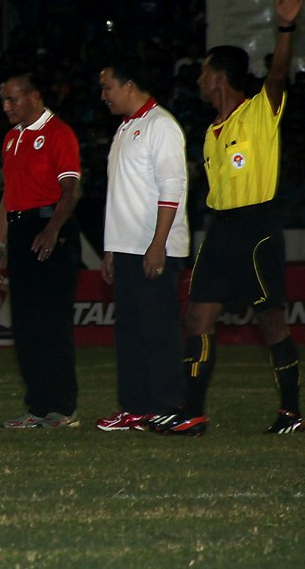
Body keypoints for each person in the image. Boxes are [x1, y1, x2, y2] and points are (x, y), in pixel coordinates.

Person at [147, 0, 305, 436]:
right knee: (196, 317)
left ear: (218, 77)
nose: (197, 79)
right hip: (220, 231)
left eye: (202, 72)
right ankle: (192, 412)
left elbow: (276, 75)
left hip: (257, 229)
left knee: (271, 321)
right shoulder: (211, 131)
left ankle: (291, 411)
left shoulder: (259, 111)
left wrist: (285, 27)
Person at [95, 57, 188, 431]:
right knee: (131, 332)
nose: (103, 95)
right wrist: (111, 248)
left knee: (158, 330)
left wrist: (158, 244)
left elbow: (172, 187)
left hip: (153, 247)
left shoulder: (160, 125)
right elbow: (121, 195)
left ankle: (167, 405)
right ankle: (134, 407)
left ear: (129, 84)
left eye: (107, 87)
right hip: (127, 248)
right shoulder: (125, 129)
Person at [0, 70, 81, 429]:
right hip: (21, 229)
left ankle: (64, 408)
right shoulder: (12, 138)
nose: (6, 106)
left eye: (12, 99)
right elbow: (7, 197)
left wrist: (52, 229)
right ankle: (38, 407)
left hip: (50, 228)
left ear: (34, 96)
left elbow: (70, 190)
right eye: (3, 100)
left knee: (52, 324)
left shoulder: (59, 134)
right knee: (26, 326)